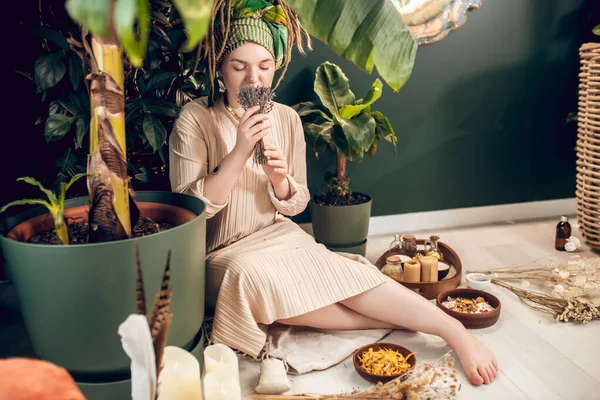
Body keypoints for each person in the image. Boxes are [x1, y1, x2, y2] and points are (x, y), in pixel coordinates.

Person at [169, 0, 498, 386]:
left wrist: (280, 180)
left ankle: (451, 330)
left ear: (276, 66)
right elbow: (188, 211)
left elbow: (296, 202)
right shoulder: (196, 119)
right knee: (251, 276)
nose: (253, 80)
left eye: (264, 67)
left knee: (342, 270)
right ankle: (420, 320)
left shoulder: (287, 118)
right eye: (238, 67)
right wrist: (240, 152)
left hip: (277, 235)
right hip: (219, 253)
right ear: (220, 68)